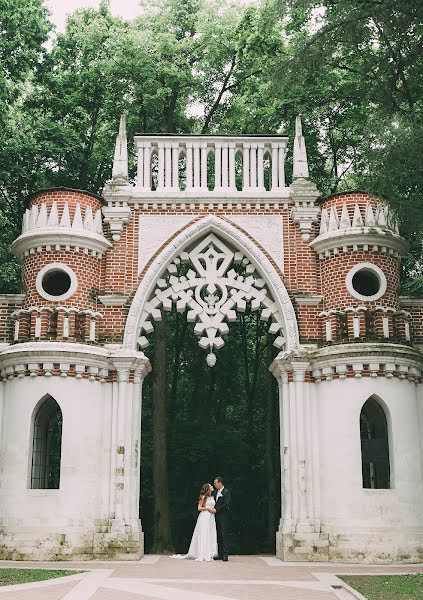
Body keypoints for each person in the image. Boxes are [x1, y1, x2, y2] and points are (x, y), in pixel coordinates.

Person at [171, 483, 218, 562]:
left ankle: (209, 552)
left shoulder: (212, 497)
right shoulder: (203, 497)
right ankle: (202, 553)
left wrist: (214, 510)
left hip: (211, 518)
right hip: (205, 517)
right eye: (210, 486)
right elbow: (199, 508)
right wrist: (208, 509)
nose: (212, 487)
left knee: (210, 533)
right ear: (207, 489)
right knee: (204, 534)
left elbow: (213, 507)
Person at [212, 476, 231, 561]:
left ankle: (225, 554)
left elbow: (226, 504)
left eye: (215, 483)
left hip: (223, 516)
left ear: (220, 483)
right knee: (218, 534)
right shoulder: (215, 492)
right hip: (215, 517)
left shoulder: (226, 492)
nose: (214, 485)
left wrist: (217, 509)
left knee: (224, 534)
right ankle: (219, 554)